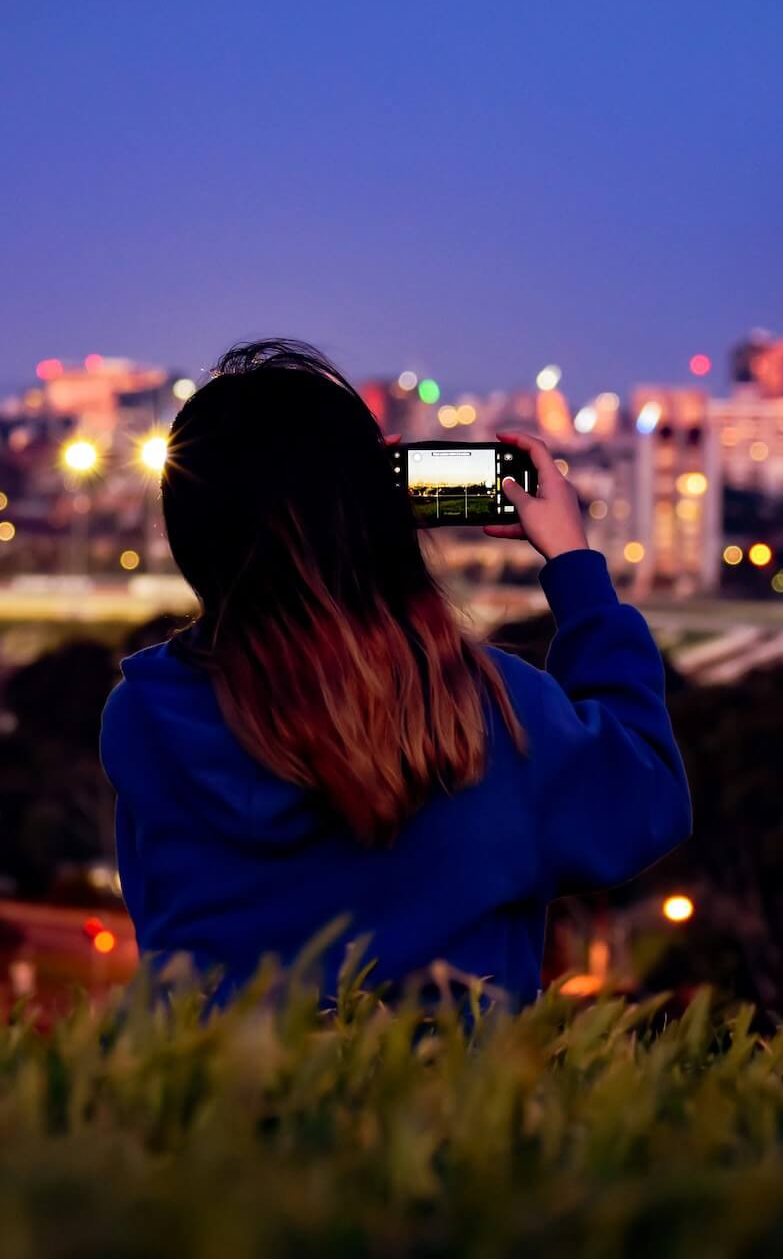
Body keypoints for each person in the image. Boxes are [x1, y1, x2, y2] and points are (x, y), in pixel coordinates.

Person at [100, 340, 689, 1002]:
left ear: (189, 532)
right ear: (376, 511)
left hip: (217, 1095)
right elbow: (646, 798)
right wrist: (576, 567)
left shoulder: (145, 718)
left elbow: (159, 920)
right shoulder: (496, 714)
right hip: (446, 1098)